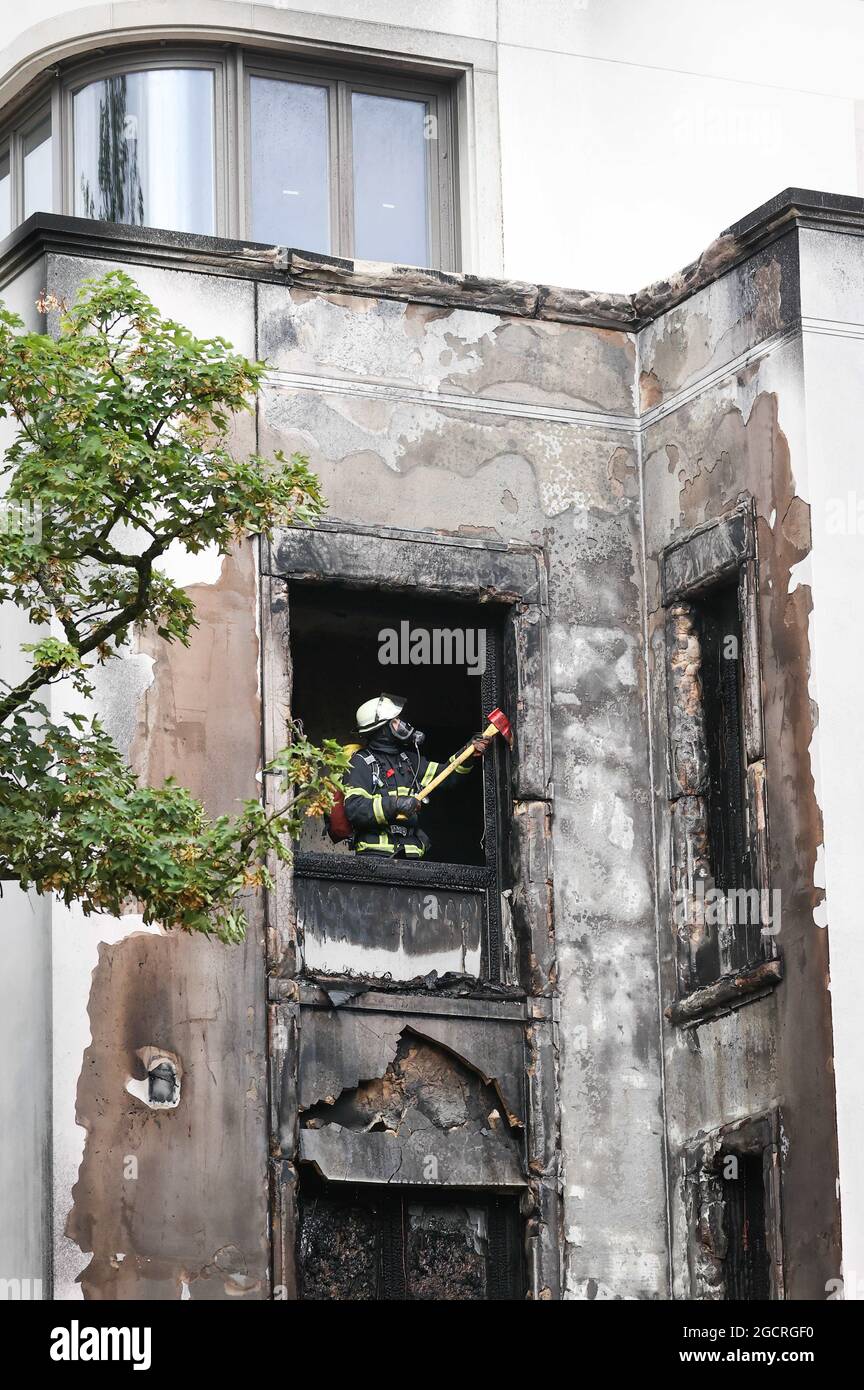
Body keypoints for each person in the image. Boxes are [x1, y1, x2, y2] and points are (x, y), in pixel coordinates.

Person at [343, 693, 491, 859]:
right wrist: (395, 804)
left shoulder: (408, 760)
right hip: (376, 859)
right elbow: (355, 809)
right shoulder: (360, 762)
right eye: (395, 721)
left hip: (412, 859)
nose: (402, 724)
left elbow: (447, 775)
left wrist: (468, 752)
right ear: (382, 731)